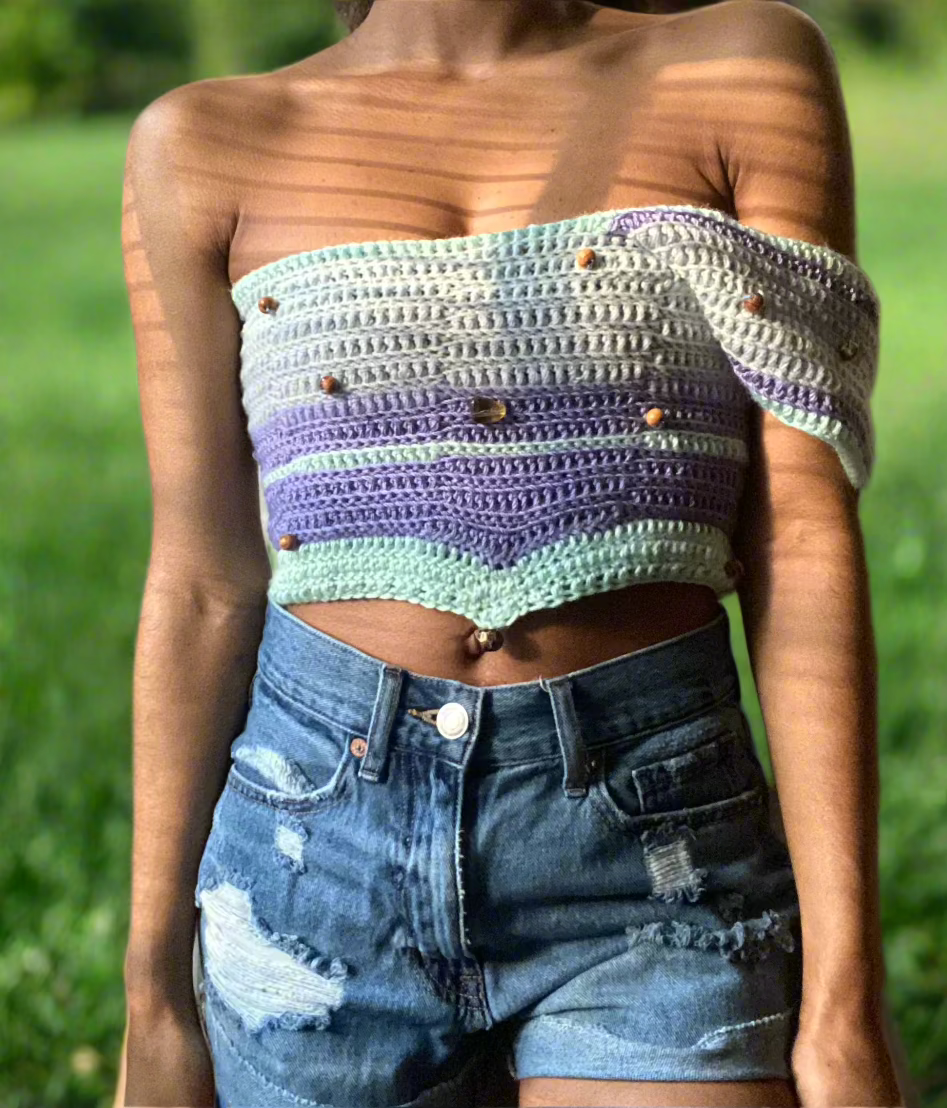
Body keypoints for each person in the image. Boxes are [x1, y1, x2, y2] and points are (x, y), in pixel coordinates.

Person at [116, 1, 906, 1105]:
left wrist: (842, 1001)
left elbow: (802, 536)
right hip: (311, 859)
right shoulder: (201, 142)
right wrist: (153, 996)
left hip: (655, 844)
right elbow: (203, 582)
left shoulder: (740, 67)